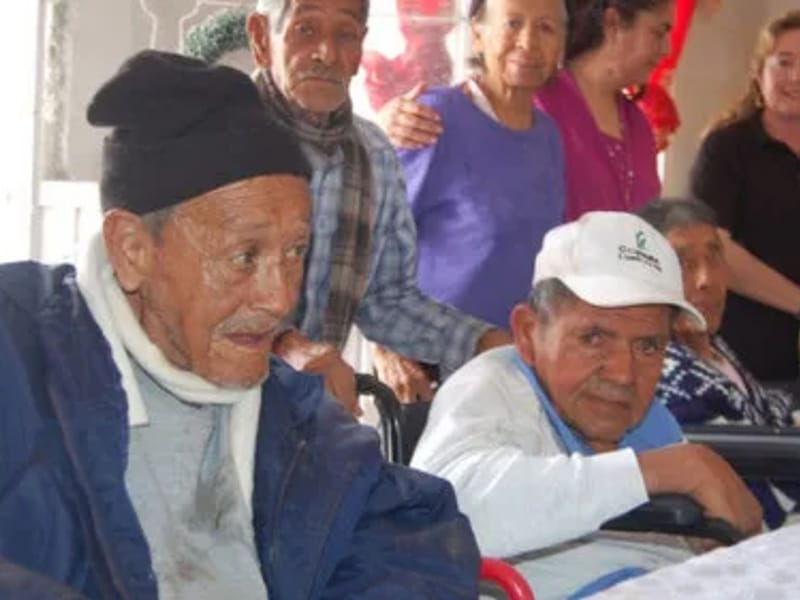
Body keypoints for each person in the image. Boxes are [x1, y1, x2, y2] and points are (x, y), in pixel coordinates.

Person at [0, 50, 481, 599]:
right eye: (244, 256)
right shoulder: (18, 356)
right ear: (133, 250)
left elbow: (413, 542)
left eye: (297, 251)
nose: (279, 299)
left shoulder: (293, 417)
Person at [411, 211, 762, 599]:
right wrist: (656, 473)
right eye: (594, 337)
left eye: (648, 346)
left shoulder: (648, 421)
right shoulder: (492, 387)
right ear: (529, 333)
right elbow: (442, 512)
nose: (623, 374)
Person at [246, 0, 510, 413]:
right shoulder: (218, 138)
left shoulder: (373, 156)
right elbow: (190, 294)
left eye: (345, 35)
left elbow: (388, 303)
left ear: (360, 50)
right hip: (202, 409)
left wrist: (485, 342)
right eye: (306, 30)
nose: (327, 54)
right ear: (262, 39)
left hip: (300, 420)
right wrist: (287, 347)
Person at [371, 0, 567, 402]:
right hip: (430, 372)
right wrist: (384, 349)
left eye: (546, 28)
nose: (528, 42)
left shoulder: (549, 136)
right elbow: (372, 238)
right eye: (513, 23)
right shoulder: (433, 117)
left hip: (514, 372)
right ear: (478, 30)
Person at [378, 0, 674, 221]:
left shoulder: (634, 126)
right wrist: (382, 129)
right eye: (659, 32)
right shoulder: (530, 98)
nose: (666, 49)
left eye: (546, 28)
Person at [637, 198, 800, 529]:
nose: (705, 280)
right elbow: (749, 490)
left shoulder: (713, 348)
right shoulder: (666, 376)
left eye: (714, 258)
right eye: (683, 264)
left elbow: (769, 412)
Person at [690, 10, 800, 383]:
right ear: (759, 71)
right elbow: (716, 250)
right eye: (784, 63)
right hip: (745, 359)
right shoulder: (726, 148)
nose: (796, 77)